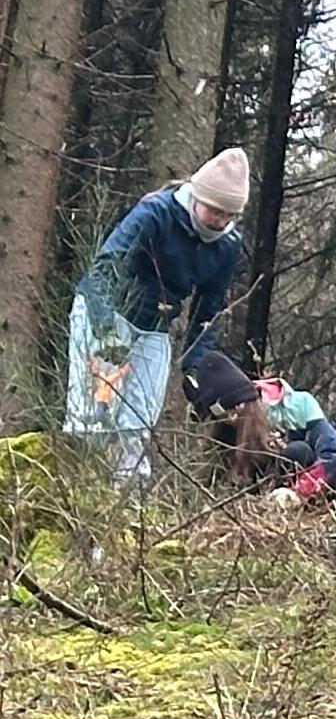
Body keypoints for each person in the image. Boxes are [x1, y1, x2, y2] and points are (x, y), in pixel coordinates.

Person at [65, 148, 249, 486]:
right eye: (215, 211)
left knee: (137, 427)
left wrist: (195, 365)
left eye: (229, 215)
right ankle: (73, 498)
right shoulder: (156, 213)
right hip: (106, 312)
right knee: (92, 421)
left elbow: (210, 309)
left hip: (155, 328)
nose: (220, 222)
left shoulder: (227, 245)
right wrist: (105, 331)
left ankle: (128, 513)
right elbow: (104, 269)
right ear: (198, 196)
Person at [182, 351, 336, 503]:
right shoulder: (228, 435)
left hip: (321, 485)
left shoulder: (299, 405)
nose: (232, 419)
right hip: (269, 491)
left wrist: (298, 492)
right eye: (224, 417)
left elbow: (331, 455)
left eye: (235, 410)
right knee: (296, 453)